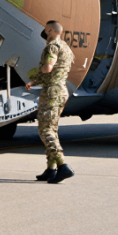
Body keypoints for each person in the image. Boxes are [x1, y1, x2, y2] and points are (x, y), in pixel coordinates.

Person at [26, 20, 74, 184]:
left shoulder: (52, 47)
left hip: (51, 92)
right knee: (52, 129)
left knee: (45, 130)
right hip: (61, 90)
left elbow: (48, 68)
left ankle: (63, 166)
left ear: (52, 31)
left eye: (47, 31)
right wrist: (34, 82)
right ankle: (51, 169)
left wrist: (36, 75)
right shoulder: (66, 47)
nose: (45, 34)